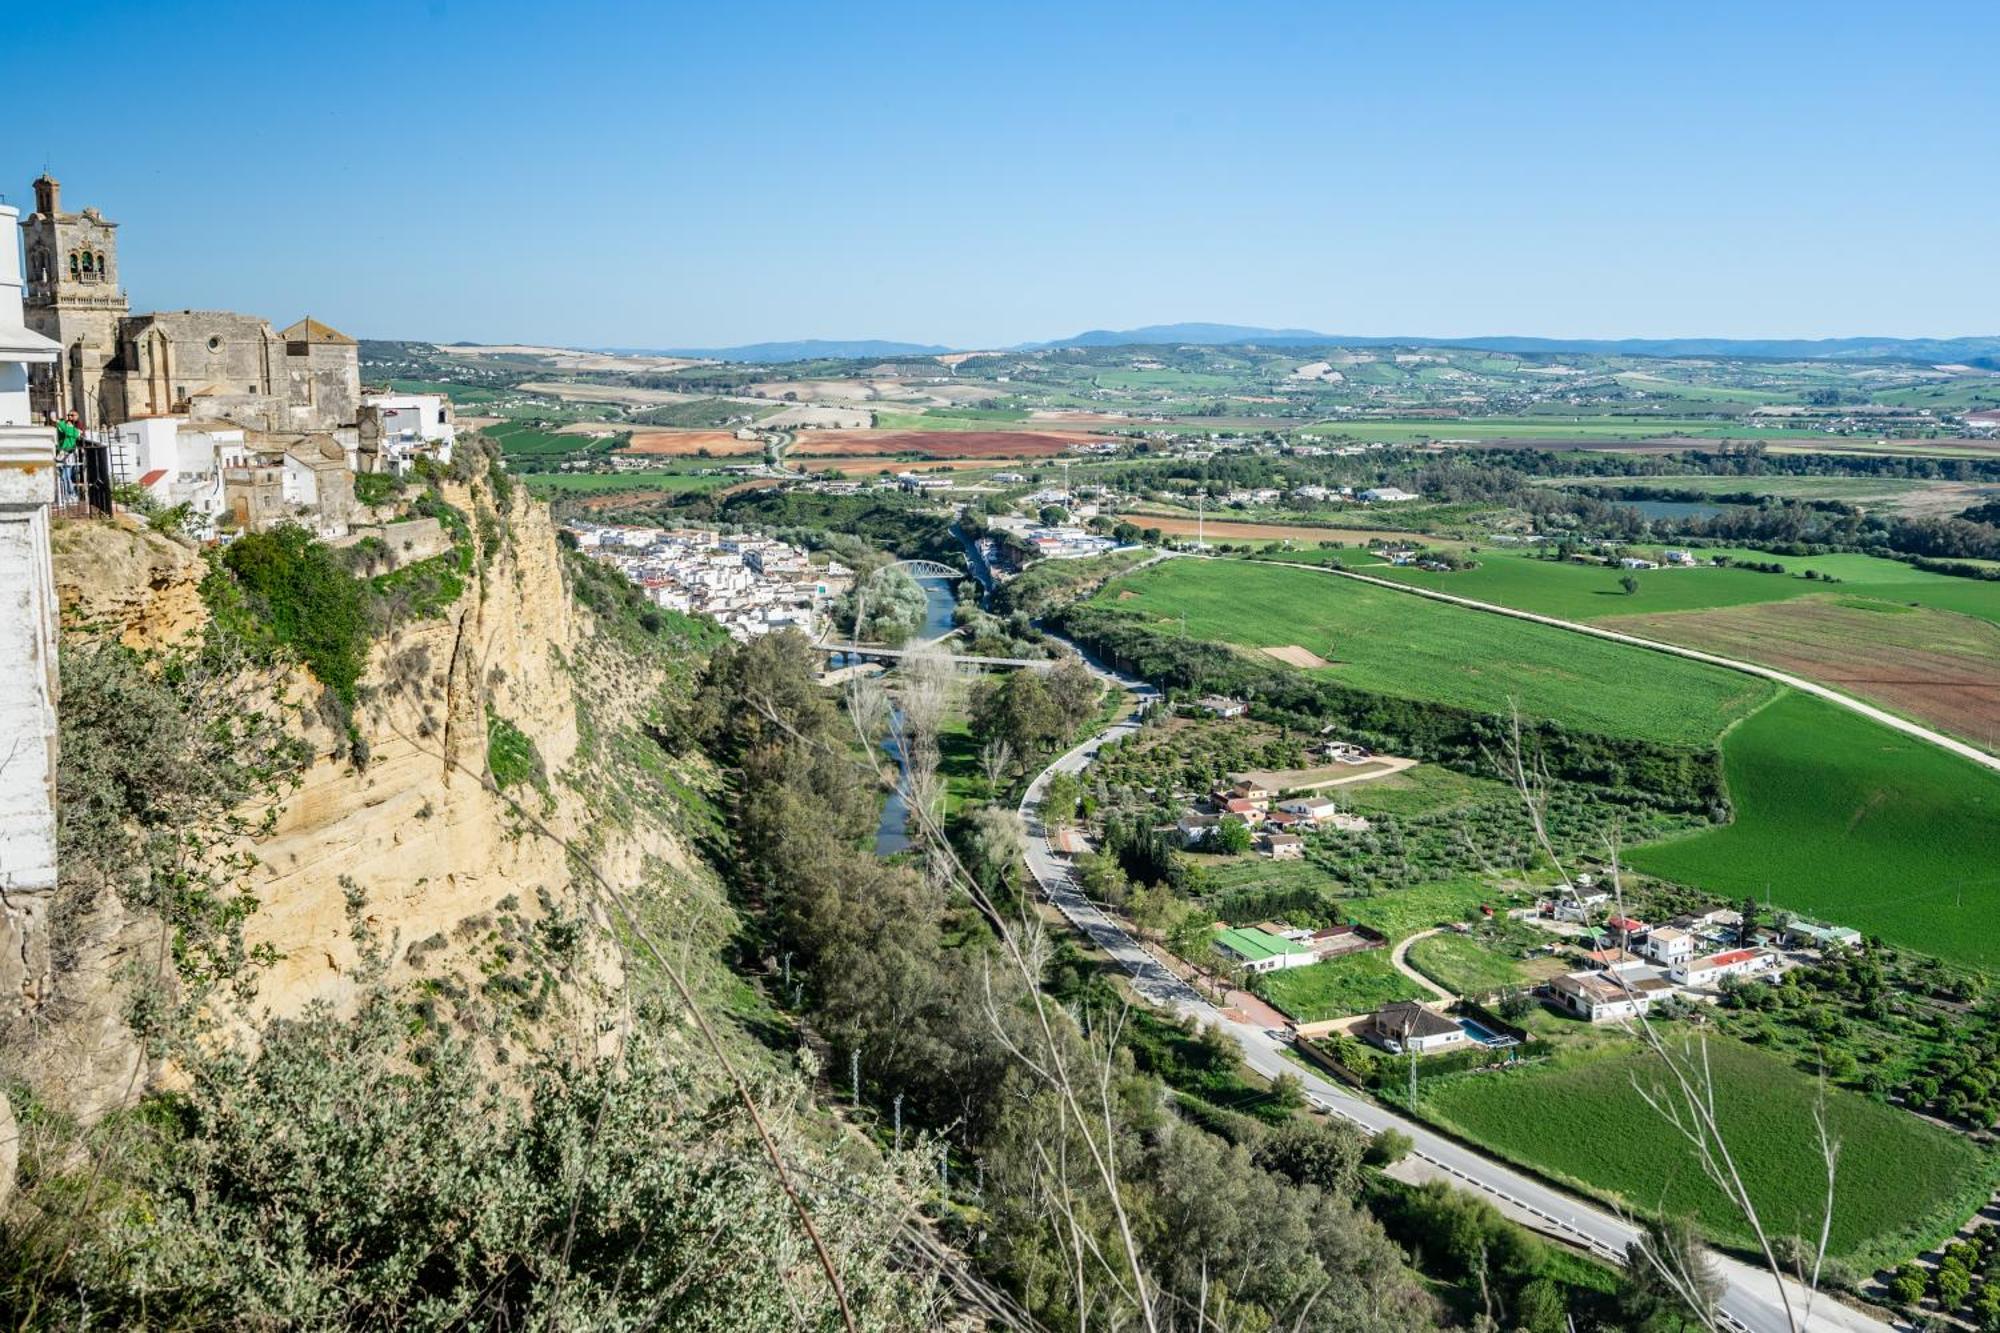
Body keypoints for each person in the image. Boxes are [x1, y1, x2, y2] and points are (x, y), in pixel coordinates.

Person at [53, 411, 81, 506]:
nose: (69, 417)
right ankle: (66, 495)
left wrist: (60, 423)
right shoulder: (63, 426)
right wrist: (62, 425)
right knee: (62, 476)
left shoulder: (77, 426)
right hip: (62, 452)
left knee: (66, 475)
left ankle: (71, 495)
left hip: (69, 453)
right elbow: (66, 432)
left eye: (72, 415)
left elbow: (74, 434)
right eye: (68, 415)